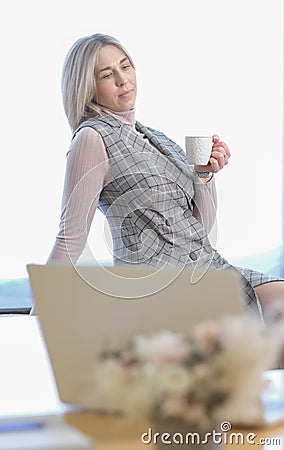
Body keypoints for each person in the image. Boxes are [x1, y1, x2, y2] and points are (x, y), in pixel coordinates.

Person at [47, 33, 284, 318]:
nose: (123, 80)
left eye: (126, 66)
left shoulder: (156, 138)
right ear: (87, 87)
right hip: (162, 287)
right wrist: (40, 322)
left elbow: (200, 229)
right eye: (107, 74)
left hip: (209, 269)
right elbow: (69, 239)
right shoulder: (91, 137)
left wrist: (204, 175)